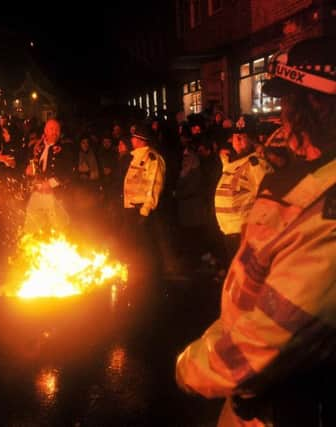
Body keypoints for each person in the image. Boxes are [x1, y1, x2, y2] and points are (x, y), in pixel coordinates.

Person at [176, 37, 336, 427]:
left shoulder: (326, 206)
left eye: (288, 103)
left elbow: (275, 333)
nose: (281, 117)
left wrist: (193, 366)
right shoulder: (303, 181)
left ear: (315, 105)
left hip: (285, 407)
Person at [214, 115, 272, 263]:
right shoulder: (234, 162)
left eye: (243, 136)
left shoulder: (256, 164)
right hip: (229, 232)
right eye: (235, 136)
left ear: (253, 139)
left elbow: (268, 199)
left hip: (244, 234)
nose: (238, 141)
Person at [122, 123, 166, 283]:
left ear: (141, 140)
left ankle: (148, 278)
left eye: (134, 137)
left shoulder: (152, 158)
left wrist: (146, 210)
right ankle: (137, 275)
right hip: (131, 208)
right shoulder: (135, 157)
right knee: (133, 245)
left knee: (145, 246)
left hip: (141, 210)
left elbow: (154, 184)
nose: (131, 140)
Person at [23, 118, 73, 234]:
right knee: (32, 228)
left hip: (56, 195)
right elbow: (30, 165)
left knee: (58, 230)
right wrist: (28, 171)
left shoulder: (66, 148)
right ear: (45, 130)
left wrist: (50, 183)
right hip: (37, 193)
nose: (54, 132)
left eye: (57, 130)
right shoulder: (36, 146)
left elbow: (68, 172)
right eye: (51, 129)